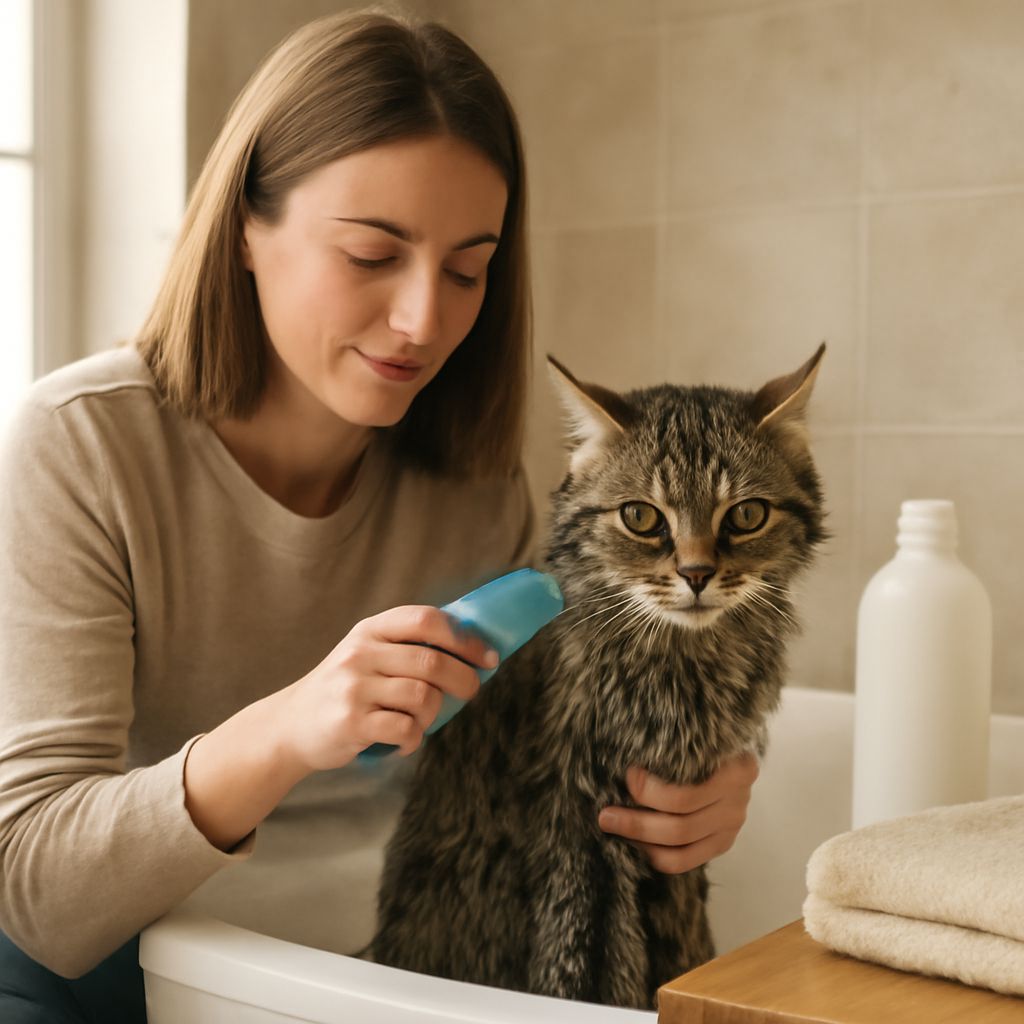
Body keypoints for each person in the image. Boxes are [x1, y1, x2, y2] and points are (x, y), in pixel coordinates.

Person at [0, 9, 759, 1022]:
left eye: (466, 269)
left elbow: (540, 766)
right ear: (242, 233)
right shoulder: (78, 444)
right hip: (100, 962)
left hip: (359, 958)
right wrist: (281, 732)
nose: (423, 321)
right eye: (370, 254)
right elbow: (39, 895)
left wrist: (707, 778)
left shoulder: (473, 487)